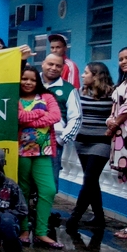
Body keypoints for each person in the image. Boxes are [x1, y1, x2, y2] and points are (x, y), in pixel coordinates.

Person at [17, 65, 63, 249]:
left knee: (48, 190)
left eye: (33, 79)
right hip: (20, 152)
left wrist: (30, 118)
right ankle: (24, 230)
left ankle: (41, 233)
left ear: (38, 82)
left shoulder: (47, 97)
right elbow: (17, 117)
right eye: (24, 78)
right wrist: (38, 114)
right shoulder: (15, 98)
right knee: (23, 191)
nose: (28, 82)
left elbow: (55, 117)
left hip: (43, 152)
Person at [66, 62, 114, 233]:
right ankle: (99, 217)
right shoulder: (79, 93)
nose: (82, 75)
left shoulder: (113, 94)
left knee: (89, 178)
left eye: (86, 73)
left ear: (96, 75)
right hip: (81, 142)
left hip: (101, 142)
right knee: (92, 181)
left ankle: (75, 216)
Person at [40, 53, 82, 191]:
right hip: (26, 140)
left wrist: (61, 140)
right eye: (50, 64)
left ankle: (44, 212)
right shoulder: (30, 82)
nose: (53, 68)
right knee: (25, 182)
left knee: (49, 184)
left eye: (58, 65)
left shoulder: (68, 89)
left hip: (53, 143)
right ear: (43, 64)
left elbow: (76, 118)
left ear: (63, 68)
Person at [107, 47, 127, 239]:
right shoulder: (124, 81)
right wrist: (111, 119)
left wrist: (114, 123)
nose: (124, 61)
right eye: (121, 59)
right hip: (123, 139)